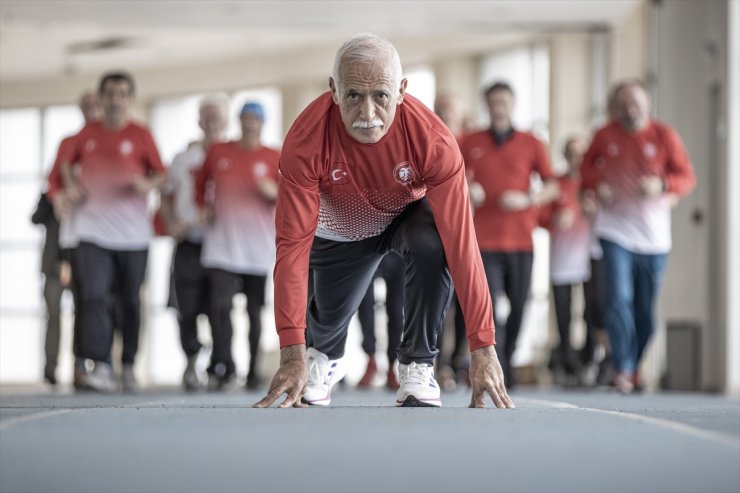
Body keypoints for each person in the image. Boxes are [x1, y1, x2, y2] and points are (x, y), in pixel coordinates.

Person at [254, 33, 514, 409]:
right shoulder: (306, 141)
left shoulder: (433, 141)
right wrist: (292, 353)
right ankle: (324, 357)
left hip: (406, 216)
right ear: (334, 91)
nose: (368, 114)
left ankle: (417, 363)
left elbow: (462, 244)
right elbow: (292, 249)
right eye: (354, 96)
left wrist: (484, 347)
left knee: (435, 239)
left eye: (381, 96)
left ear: (402, 90)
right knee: (324, 331)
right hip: (342, 230)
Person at [580, 79, 696, 393]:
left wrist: (662, 186)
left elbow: (687, 176)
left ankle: (633, 364)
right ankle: (624, 367)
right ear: (616, 107)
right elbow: (586, 168)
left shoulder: (663, 135)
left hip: (653, 237)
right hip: (615, 230)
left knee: (645, 312)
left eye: (637, 103)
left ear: (647, 103)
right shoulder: (605, 135)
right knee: (618, 299)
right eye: (625, 104)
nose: (631, 109)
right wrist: (596, 185)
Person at [55, 72, 166, 392]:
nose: (115, 99)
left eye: (122, 94)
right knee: (94, 298)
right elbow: (61, 169)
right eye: (110, 94)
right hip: (91, 233)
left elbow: (161, 173)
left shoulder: (141, 135)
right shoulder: (84, 135)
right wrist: (68, 190)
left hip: (133, 236)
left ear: (129, 99)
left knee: (130, 301)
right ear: (101, 98)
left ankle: (128, 363)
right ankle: (99, 364)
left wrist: (147, 184)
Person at [459, 81, 559, 389]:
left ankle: (510, 355)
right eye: (493, 102)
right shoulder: (470, 141)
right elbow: (451, 176)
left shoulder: (532, 143)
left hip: (521, 240)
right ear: (486, 106)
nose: (499, 107)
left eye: (504, 101)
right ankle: (497, 361)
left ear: (512, 105)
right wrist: (467, 188)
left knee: (520, 304)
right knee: (490, 305)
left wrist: (526, 198)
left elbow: (553, 186)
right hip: (484, 240)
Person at [195, 101, 280, 390]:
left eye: (255, 119)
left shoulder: (273, 157)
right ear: (239, 121)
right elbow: (200, 181)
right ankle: (223, 365)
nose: (249, 124)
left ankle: (254, 369)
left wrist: (276, 192)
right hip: (222, 244)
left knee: (254, 311)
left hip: (257, 247)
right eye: (245, 118)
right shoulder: (219, 151)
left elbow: (293, 194)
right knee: (220, 307)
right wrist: (201, 206)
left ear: (262, 124)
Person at [159, 94, 228, 390]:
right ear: (199, 120)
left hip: (223, 244)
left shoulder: (233, 155)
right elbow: (165, 193)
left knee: (219, 308)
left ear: (225, 119)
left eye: (217, 114)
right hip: (188, 242)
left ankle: (219, 367)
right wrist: (171, 223)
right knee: (184, 307)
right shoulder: (182, 158)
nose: (212, 119)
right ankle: (190, 359)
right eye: (206, 114)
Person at [539, 136, 606, 386]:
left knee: (592, 310)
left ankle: (589, 360)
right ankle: (567, 363)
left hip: (592, 256)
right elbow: (540, 215)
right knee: (564, 314)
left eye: (581, 153)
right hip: (564, 257)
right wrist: (555, 220)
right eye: (572, 153)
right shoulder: (556, 184)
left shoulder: (596, 184)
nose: (577, 159)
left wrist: (595, 210)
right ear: (565, 157)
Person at [433, 91, 471, 389]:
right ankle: (437, 363)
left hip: (466, 235)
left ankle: (460, 361)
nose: (446, 114)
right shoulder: (429, 141)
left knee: (461, 302)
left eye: (450, 109)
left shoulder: (471, 145)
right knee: (438, 301)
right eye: (441, 109)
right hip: (434, 233)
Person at [355, 251, 403, 390]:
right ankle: (371, 360)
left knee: (396, 310)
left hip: (398, 248)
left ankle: (392, 366)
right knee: (365, 305)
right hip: (371, 243)